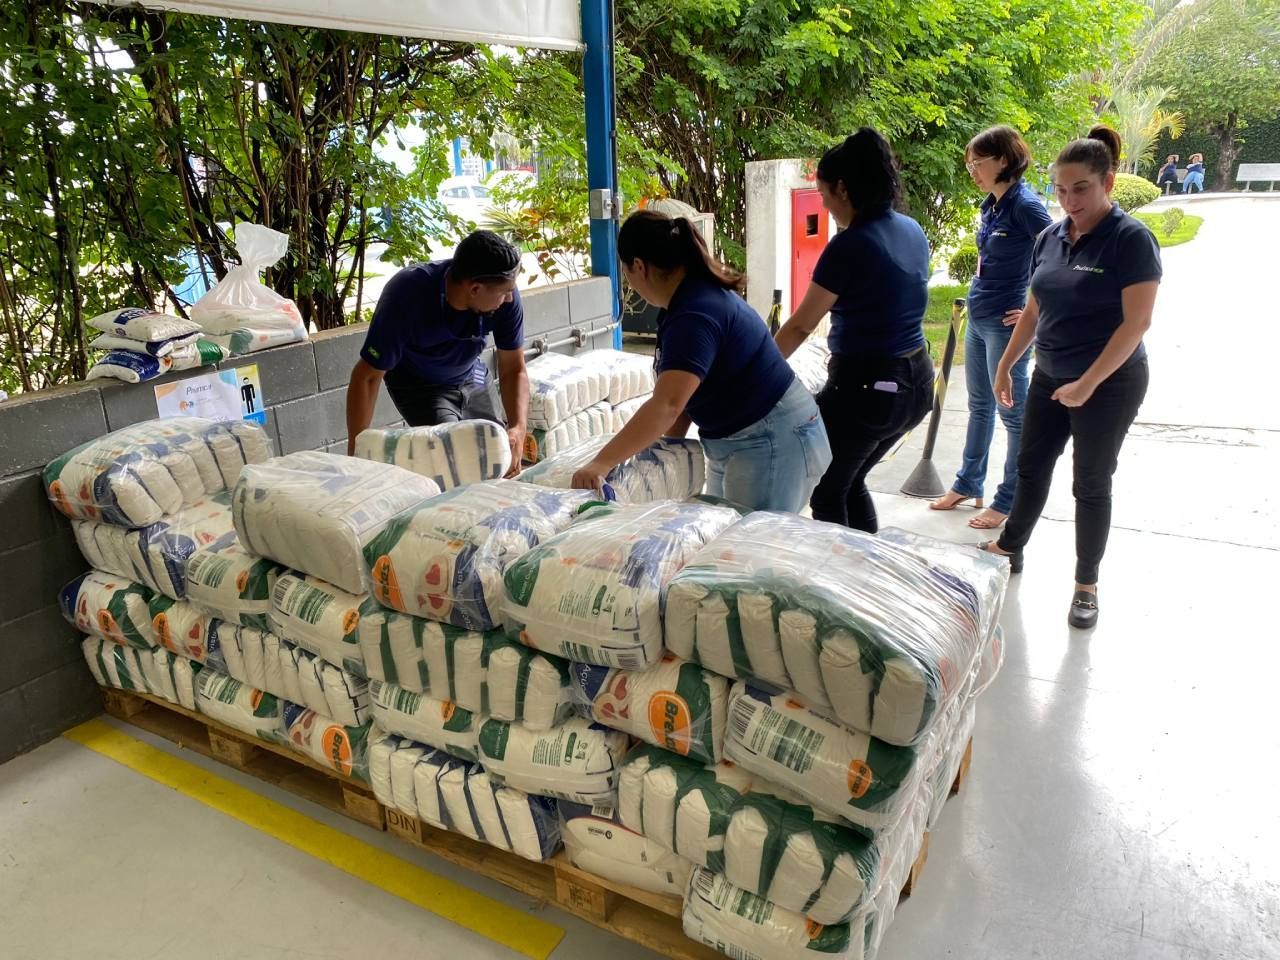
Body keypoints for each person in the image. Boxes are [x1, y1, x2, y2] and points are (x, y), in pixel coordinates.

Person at [980, 125, 1161, 630]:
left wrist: (1088, 384)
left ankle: (1086, 584)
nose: (1069, 199)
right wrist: (1007, 362)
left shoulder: (1131, 240)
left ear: (1108, 182)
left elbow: (1137, 323)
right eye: (1060, 189)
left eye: (1080, 188)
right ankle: (1010, 546)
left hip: (1111, 382)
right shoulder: (1050, 237)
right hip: (1051, 373)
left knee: (1091, 482)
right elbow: (1035, 309)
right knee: (1031, 467)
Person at [570, 210, 831, 512]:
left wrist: (601, 463)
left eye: (626, 274)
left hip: (771, 439)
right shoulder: (683, 304)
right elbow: (683, 395)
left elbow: (668, 404)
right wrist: (663, 455)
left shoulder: (696, 313)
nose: (630, 285)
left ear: (639, 266)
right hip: (737, 441)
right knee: (720, 537)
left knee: (743, 549)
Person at [774, 128, 934, 532]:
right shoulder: (911, 230)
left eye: (825, 194)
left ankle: (846, 586)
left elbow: (798, 326)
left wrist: (756, 370)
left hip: (870, 392)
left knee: (827, 489)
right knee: (849, 480)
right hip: (915, 383)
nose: (824, 205)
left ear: (843, 189)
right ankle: (867, 571)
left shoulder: (850, 246)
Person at [931, 126, 1053, 530]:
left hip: (1007, 323)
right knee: (979, 406)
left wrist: (1037, 307)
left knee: (1012, 415)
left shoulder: (1025, 205)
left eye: (977, 162)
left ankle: (1009, 499)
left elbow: (1061, 251)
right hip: (980, 317)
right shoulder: (992, 205)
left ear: (1003, 160)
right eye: (969, 163)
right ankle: (968, 483)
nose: (972, 170)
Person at [345, 230, 528, 473]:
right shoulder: (407, 295)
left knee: (500, 455)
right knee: (459, 463)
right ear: (474, 289)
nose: (509, 299)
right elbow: (366, 377)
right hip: (422, 387)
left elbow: (514, 368)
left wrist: (518, 426)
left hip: (471, 374)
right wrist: (357, 454)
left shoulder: (505, 297)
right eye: (504, 292)